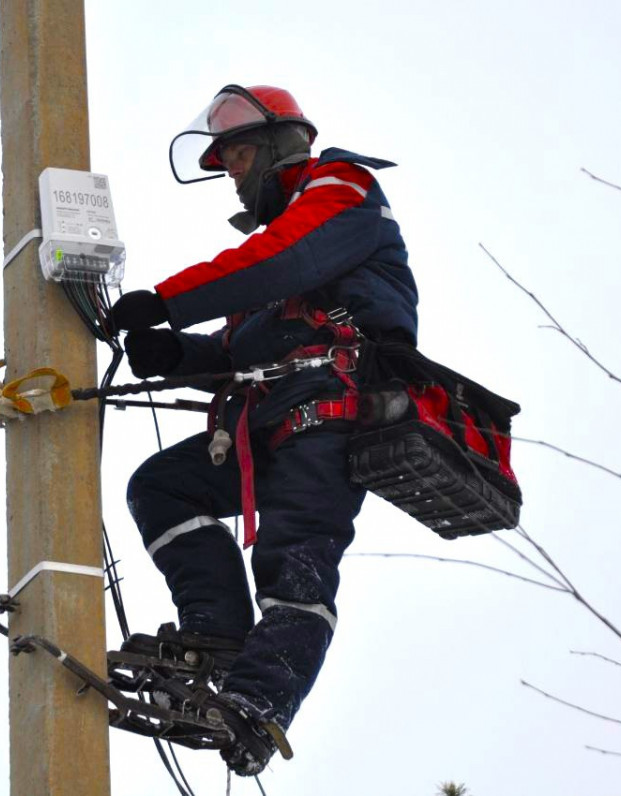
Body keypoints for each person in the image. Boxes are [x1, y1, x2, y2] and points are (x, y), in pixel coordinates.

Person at [108, 84, 419, 776]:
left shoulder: (342, 189)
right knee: (162, 488)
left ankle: (259, 705)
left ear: (283, 143)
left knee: (294, 562)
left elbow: (283, 258)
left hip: (329, 417)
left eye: (241, 154)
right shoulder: (274, 272)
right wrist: (174, 351)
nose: (235, 174)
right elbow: (233, 354)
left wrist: (168, 300)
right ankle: (217, 631)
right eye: (226, 164)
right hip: (265, 422)